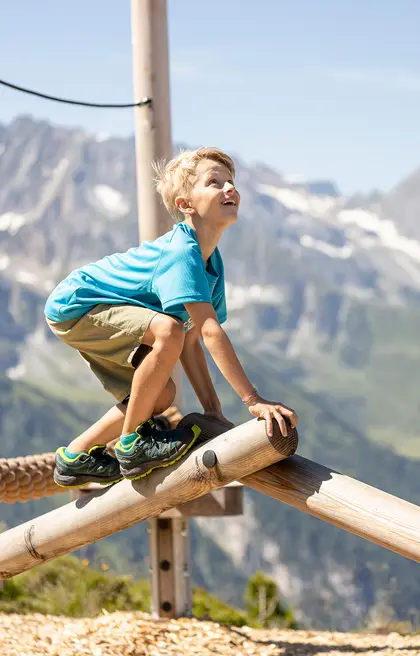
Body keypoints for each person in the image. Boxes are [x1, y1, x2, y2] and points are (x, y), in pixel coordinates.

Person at [44, 147, 298, 488]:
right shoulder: (182, 253)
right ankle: (132, 445)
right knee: (168, 329)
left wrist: (212, 411)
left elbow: (193, 341)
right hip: (76, 304)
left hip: (86, 311)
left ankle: (74, 458)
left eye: (230, 181)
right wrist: (253, 401)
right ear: (185, 205)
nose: (229, 188)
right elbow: (210, 333)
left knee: (160, 395)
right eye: (214, 182)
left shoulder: (210, 262)